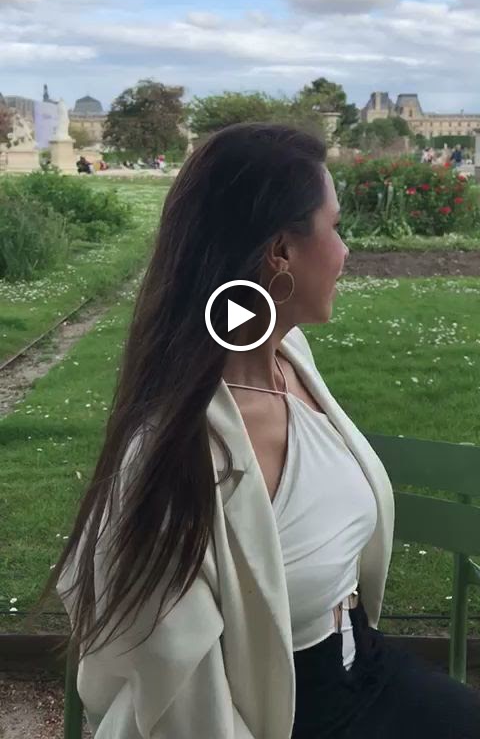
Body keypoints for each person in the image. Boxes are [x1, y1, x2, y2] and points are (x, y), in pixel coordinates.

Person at [45, 124, 479, 738]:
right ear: (280, 252)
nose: (346, 251)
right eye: (335, 227)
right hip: (283, 712)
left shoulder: (289, 358)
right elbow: (187, 707)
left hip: (363, 663)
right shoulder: (185, 455)